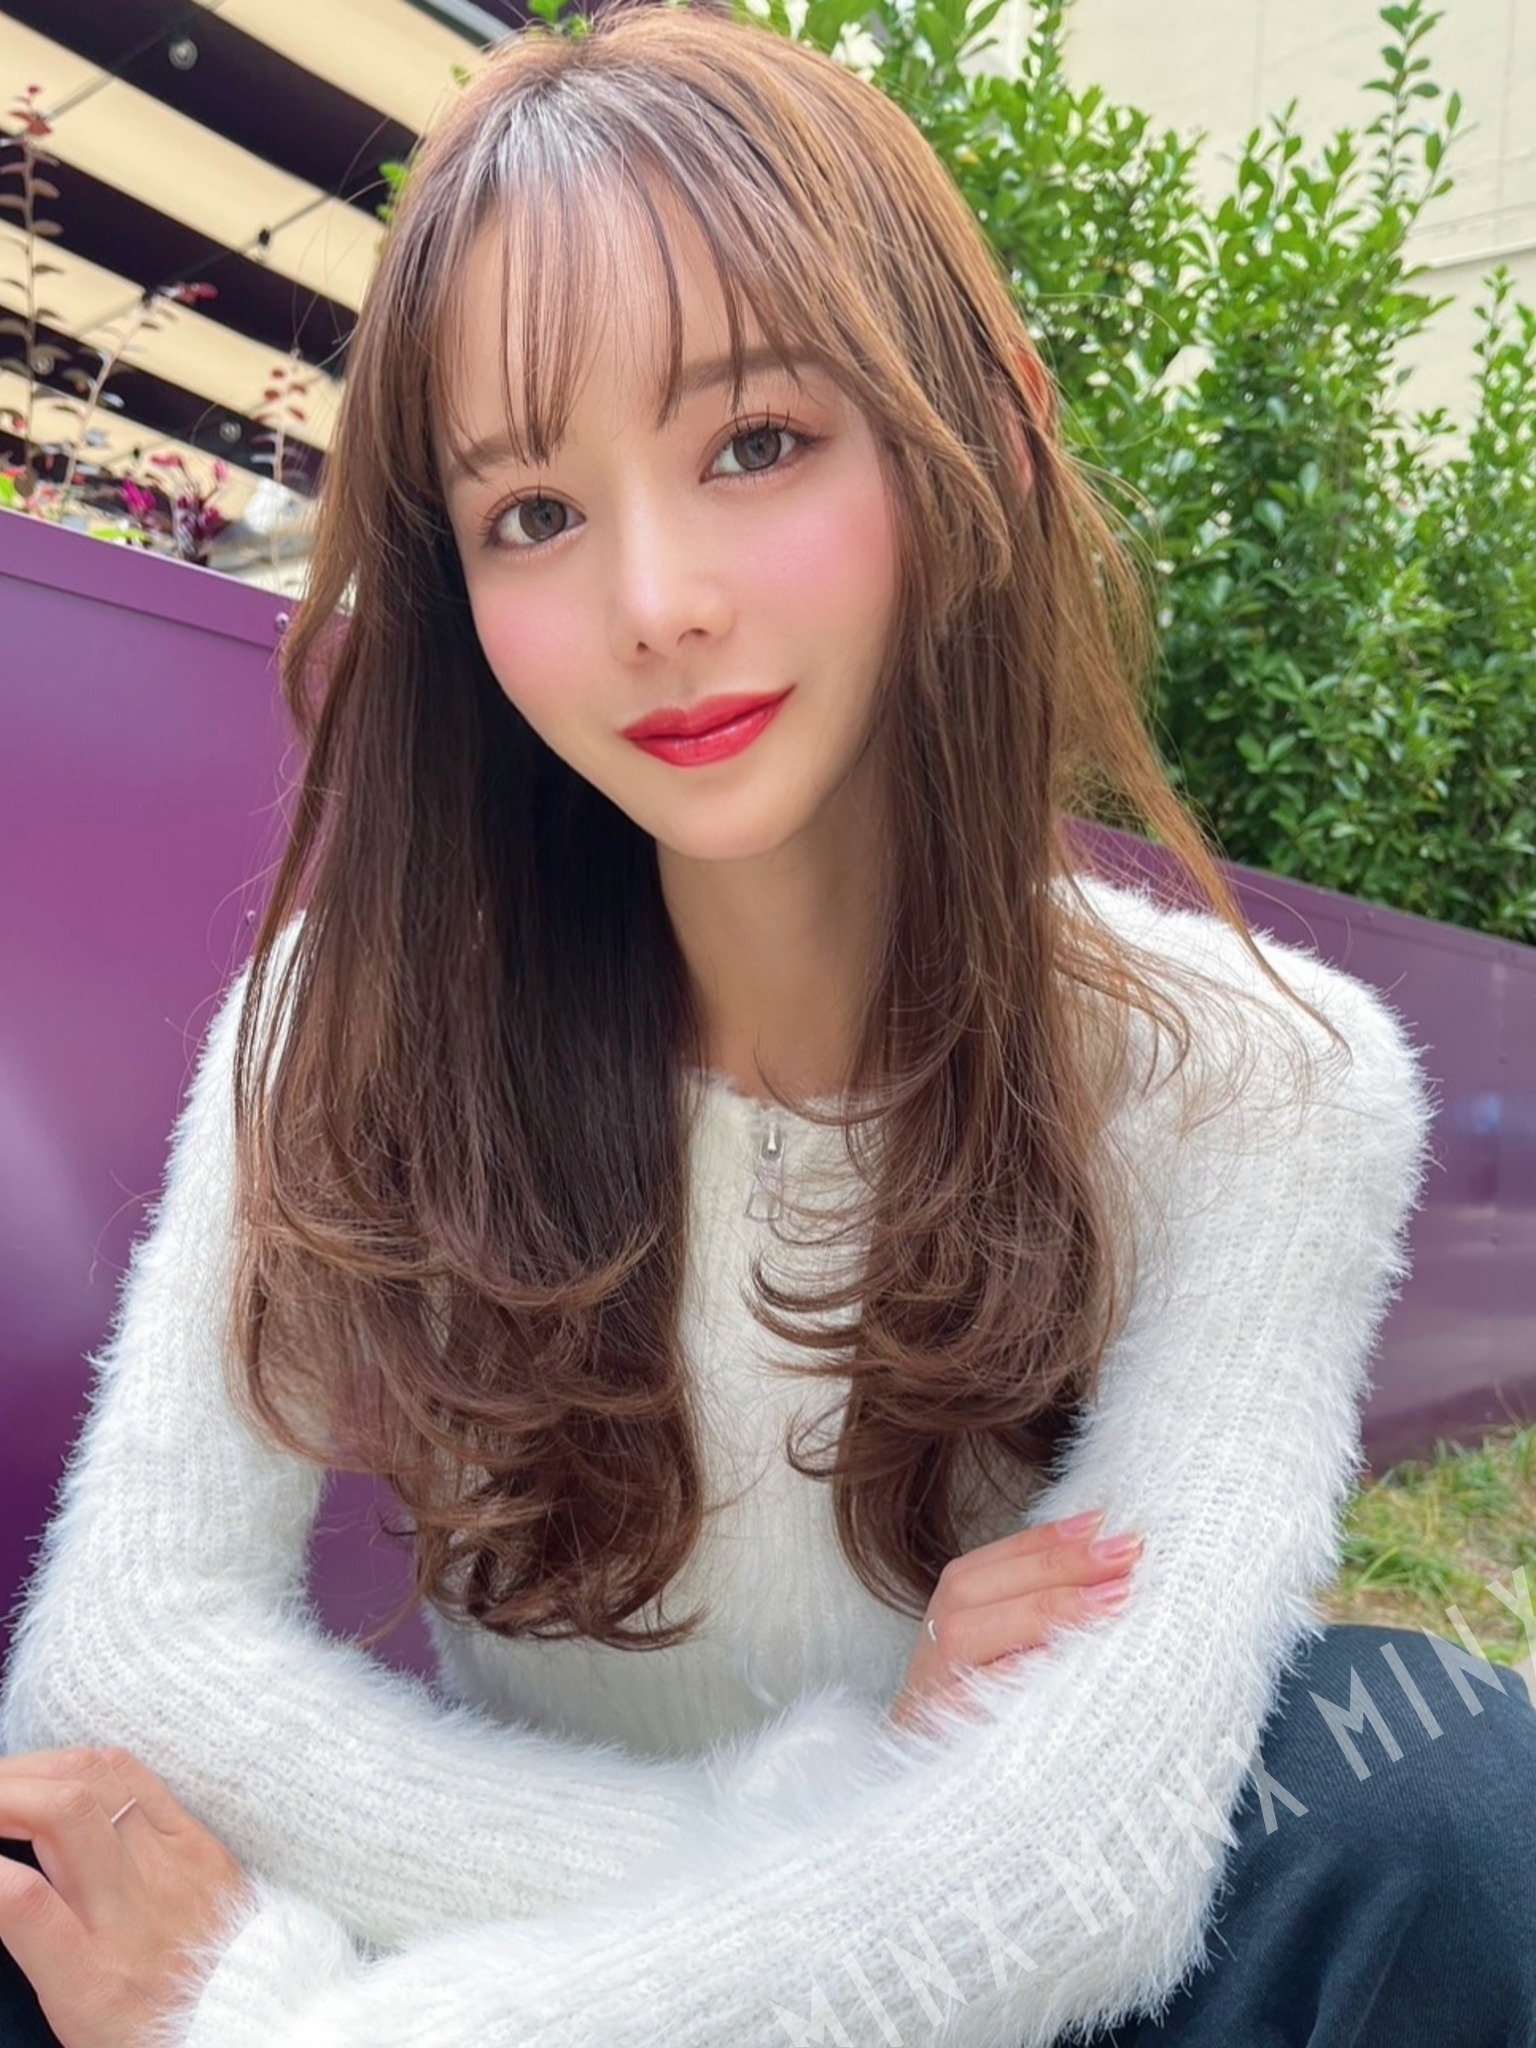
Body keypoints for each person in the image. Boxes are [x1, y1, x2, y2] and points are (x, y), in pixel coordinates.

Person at [1, 4, 1531, 2044]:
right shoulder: (346, 1027)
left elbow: (1078, 1867)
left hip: (984, 2003)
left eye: (753, 444)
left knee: (1435, 1786)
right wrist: (811, 1809)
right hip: (606, 1972)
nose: (657, 601)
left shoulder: (1255, 1078)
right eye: (534, 512)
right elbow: (119, 1665)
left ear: (986, 439)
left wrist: (271, 2022)